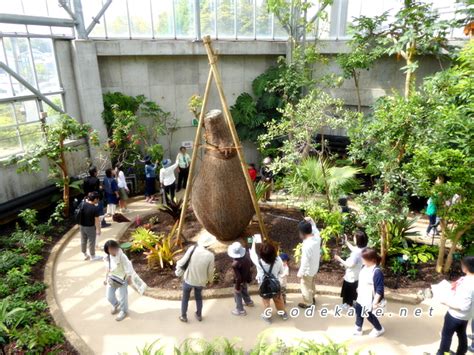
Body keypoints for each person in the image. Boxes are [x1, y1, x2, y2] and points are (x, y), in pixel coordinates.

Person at [437, 256, 474, 355]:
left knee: (446, 336)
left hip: (455, 315)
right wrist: (454, 285)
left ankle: (443, 353)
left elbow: (463, 306)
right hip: (466, 317)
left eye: (462, 265)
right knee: (461, 334)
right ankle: (461, 352)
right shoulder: (467, 279)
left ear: (466, 267)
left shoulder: (468, 284)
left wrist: (445, 302)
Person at [175, 234, 216, 323]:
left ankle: (183, 316)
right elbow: (210, 272)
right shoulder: (210, 256)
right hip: (200, 282)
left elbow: (182, 261)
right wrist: (210, 280)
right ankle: (199, 315)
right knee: (198, 298)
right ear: (209, 244)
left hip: (188, 280)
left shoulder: (192, 249)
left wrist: (178, 267)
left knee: (185, 298)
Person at [249, 239, 288, 323]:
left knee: (266, 302)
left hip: (263, 284)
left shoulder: (258, 261)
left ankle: (267, 317)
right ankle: (283, 313)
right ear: (274, 252)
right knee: (278, 299)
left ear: (261, 255)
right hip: (275, 284)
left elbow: (252, 253)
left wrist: (253, 242)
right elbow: (281, 272)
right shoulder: (278, 260)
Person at [353, 248, 385, 338]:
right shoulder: (364, 267)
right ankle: (358, 326)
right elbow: (362, 279)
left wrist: (375, 302)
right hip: (361, 296)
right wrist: (358, 288)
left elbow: (379, 288)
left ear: (372, 260)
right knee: (358, 311)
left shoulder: (377, 272)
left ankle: (379, 328)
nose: (361, 259)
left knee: (368, 315)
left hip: (369, 299)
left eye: (363, 258)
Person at [334, 230, 368, 309]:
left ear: (358, 240)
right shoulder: (364, 248)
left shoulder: (356, 253)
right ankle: (354, 303)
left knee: (347, 291)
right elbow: (354, 249)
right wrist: (346, 242)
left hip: (351, 275)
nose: (353, 238)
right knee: (354, 289)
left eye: (355, 237)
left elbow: (350, 265)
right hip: (357, 274)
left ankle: (347, 304)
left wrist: (339, 259)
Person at [103, 240, 134, 322]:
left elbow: (128, 266)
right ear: (107, 250)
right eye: (111, 249)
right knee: (109, 296)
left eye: (114, 248)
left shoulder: (122, 256)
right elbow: (107, 268)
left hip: (123, 279)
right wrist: (105, 279)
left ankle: (123, 311)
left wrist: (129, 277)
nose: (113, 250)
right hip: (112, 279)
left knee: (123, 297)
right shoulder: (107, 257)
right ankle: (115, 304)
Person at [297, 216, 321, 309]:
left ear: (302, 233)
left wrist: (300, 272)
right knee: (312, 282)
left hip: (308, 270)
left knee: (305, 285)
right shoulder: (316, 237)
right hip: (315, 267)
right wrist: (311, 220)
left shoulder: (307, 245)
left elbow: (305, 261)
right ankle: (312, 296)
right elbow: (314, 228)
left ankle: (308, 303)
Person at [228, 242, 254, 316]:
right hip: (246, 278)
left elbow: (238, 277)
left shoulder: (235, 264)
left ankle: (240, 310)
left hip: (239, 281)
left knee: (238, 294)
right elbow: (251, 264)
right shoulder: (247, 255)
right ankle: (249, 302)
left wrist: (237, 287)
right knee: (245, 290)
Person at [78, 192, 101, 261]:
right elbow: (97, 221)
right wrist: (98, 230)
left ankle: (84, 254)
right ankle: (92, 256)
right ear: (95, 199)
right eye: (98, 199)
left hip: (82, 226)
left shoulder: (83, 204)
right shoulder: (95, 208)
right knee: (91, 241)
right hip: (90, 227)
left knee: (83, 240)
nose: (98, 200)